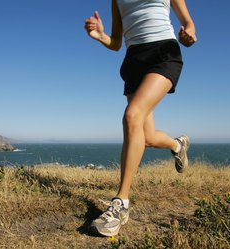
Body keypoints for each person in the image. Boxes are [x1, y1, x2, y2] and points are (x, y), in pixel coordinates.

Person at [84, 0, 196, 237]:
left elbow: (188, 22)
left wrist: (189, 34)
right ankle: (178, 144)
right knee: (145, 138)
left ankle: (121, 203)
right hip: (134, 61)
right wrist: (99, 35)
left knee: (132, 116)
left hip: (164, 54)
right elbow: (115, 43)